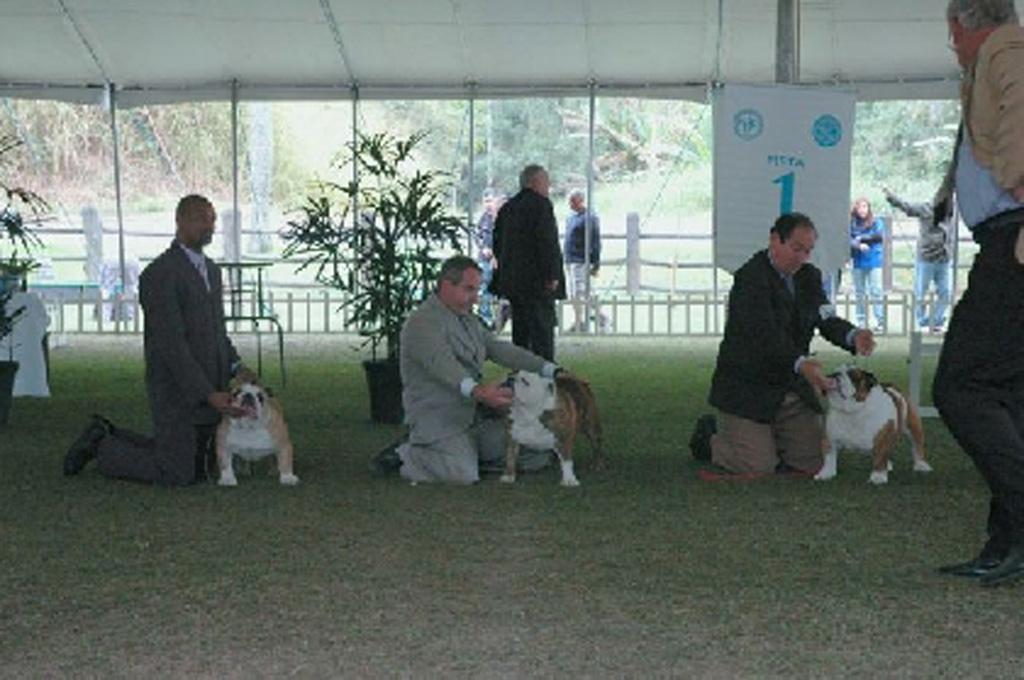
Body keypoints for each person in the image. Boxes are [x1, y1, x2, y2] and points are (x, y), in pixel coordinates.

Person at [63, 194, 251, 485]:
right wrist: (206, 393)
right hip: (175, 389)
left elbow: (217, 332)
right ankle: (103, 447)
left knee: (202, 465)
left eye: (212, 219)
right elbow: (171, 344)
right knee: (178, 473)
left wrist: (236, 367)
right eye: (201, 218)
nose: (209, 225)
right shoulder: (159, 274)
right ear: (180, 221)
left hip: (211, 386)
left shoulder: (212, 271)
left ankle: (107, 433)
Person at [933, 0, 1024, 587]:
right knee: (1010, 394)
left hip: (1013, 242)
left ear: (965, 24)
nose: (952, 46)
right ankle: (1006, 541)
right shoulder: (995, 59)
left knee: (961, 385)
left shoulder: (1007, 50)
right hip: (1004, 239)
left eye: (952, 33)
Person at [690, 212, 875, 475]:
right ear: (775, 239)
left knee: (817, 463)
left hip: (790, 389)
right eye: (796, 248)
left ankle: (770, 438)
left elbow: (825, 317)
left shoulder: (809, 277)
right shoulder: (749, 280)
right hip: (747, 389)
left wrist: (852, 335)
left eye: (807, 251)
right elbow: (765, 336)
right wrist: (801, 364)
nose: (801, 257)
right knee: (757, 466)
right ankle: (708, 440)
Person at [397, 255, 559, 484]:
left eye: (477, 290)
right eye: (469, 290)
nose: (475, 298)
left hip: (475, 416)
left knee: (540, 451)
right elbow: (445, 368)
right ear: (446, 286)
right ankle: (406, 454)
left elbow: (499, 349)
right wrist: (480, 393)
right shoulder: (421, 323)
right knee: (463, 475)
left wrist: (551, 370)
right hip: (440, 420)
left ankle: (469, 455)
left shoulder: (467, 319)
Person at [490, 164, 566, 361]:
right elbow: (547, 241)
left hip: (514, 282)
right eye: (546, 181)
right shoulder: (541, 205)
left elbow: (497, 243)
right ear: (535, 182)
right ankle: (544, 373)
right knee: (542, 331)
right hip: (537, 281)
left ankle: (522, 372)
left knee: (521, 330)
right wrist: (552, 275)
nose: (548, 186)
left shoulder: (507, 208)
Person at [883, 181, 955, 333]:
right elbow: (906, 207)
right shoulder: (925, 208)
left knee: (945, 291)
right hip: (926, 258)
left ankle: (936, 321)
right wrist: (891, 197)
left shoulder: (951, 213)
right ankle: (922, 322)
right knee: (921, 291)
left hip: (944, 259)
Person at [563, 189, 608, 333]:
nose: (570, 204)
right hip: (571, 259)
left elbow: (595, 241)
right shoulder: (571, 217)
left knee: (582, 291)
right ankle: (579, 321)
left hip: (581, 259)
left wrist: (596, 262)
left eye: (572, 201)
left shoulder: (590, 217)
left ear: (580, 201)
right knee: (573, 293)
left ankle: (600, 318)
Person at [473, 189, 508, 331]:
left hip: (501, 263)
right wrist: (483, 248)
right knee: (485, 290)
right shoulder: (484, 218)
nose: (489, 205)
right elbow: (478, 236)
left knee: (503, 295)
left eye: (491, 201)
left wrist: (495, 255)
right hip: (485, 261)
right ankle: (486, 320)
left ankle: (498, 323)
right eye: (486, 201)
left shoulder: (505, 221)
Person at [848, 197, 886, 332]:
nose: (862, 210)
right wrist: (858, 245)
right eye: (860, 207)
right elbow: (848, 239)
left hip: (874, 261)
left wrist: (861, 238)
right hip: (858, 262)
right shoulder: (851, 223)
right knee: (859, 292)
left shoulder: (876, 222)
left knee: (876, 290)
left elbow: (878, 236)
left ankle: (880, 320)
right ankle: (861, 320)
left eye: (865, 207)